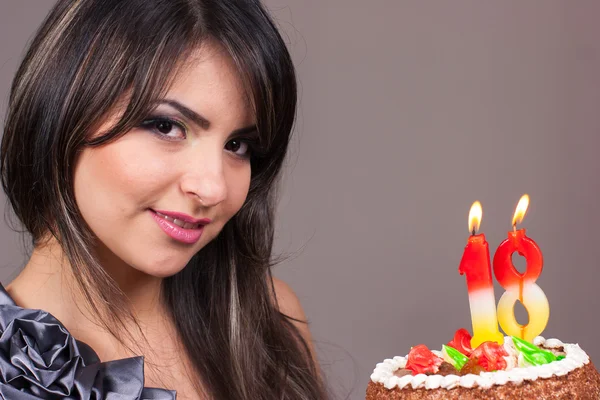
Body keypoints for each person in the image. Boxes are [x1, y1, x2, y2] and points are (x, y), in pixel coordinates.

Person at [0, 0, 326, 399]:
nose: (213, 188)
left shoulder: (266, 319)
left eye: (238, 145)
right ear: (64, 107)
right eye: (166, 126)